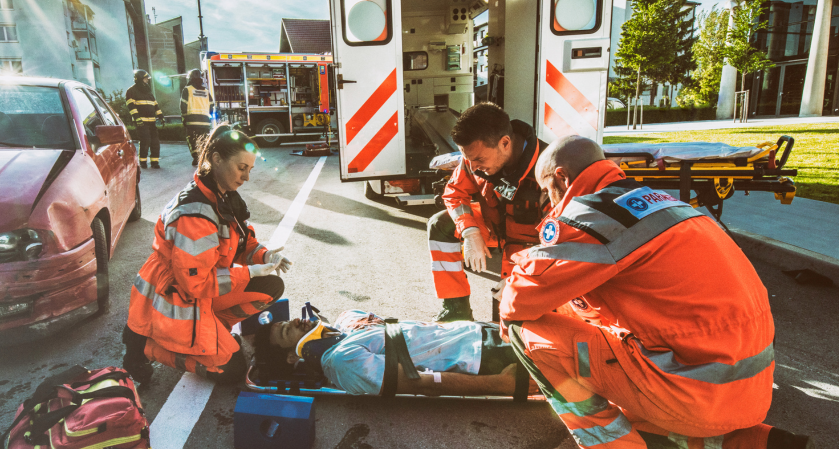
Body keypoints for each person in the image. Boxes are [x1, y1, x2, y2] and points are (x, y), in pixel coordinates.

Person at [498, 135, 814, 448]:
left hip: (690, 392)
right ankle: (754, 442)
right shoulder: (664, 203)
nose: (549, 202)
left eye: (547, 191)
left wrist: (508, 315)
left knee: (523, 330)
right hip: (750, 393)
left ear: (561, 178)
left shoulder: (593, 216)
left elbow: (519, 299)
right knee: (622, 388)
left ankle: (612, 445)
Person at [122, 125, 294, 384]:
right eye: (241, 167)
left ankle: (212, 329)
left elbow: (243, 244)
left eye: (250, 169)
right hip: (176, 297)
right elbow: (196, 283)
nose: (246, 177)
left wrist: (265, 256)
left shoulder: (222, 196)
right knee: (233, 371)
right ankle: (146, 348)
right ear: (216, 159)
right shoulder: (196, 213)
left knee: (270, 285)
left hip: (200, 293)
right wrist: (248, 272)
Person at [429, 102, 549, 322]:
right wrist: (469, 231)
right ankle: (456, 308)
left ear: (505, 143)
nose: (473, 167)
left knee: (509, 325)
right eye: (469, 159)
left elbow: (559, 243)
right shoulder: (474, 159)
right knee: (439, 224)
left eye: (479, 160)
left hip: (531, 246)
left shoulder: (548, 170)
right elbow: (454, 193)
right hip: (494, 227)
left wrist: (520, 278)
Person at [254, 309, 534, 397]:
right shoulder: (342, 362)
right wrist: (498, 385)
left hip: (484, 330)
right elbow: (419, 382)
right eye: (285, 332)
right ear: (293, 357)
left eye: (285, 320)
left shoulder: (346, 324)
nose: (292, 322)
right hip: (483, 356)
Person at [125, 69, 165, 169]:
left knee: (155, 142)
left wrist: (161, 116)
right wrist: (137, 119)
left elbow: (155, 105)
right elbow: (131, 106)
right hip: (141, 122)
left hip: (152, 121)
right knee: (145, 141)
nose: (147, 80)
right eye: (145, 78)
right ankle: (143, 162)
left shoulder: (148, 92)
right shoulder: (131, 91)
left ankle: (154, 162)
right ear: (140, 79)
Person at [181, 69, 212, 167]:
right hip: (205, 121)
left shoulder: (187, 89)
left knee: (192, 139)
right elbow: (212, 106)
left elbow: (183, 105)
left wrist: (184, 118)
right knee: (204, 140)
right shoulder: (206, 91)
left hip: (192, 121)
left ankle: (196, 158)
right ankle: (203, 158)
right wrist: (208, 116)